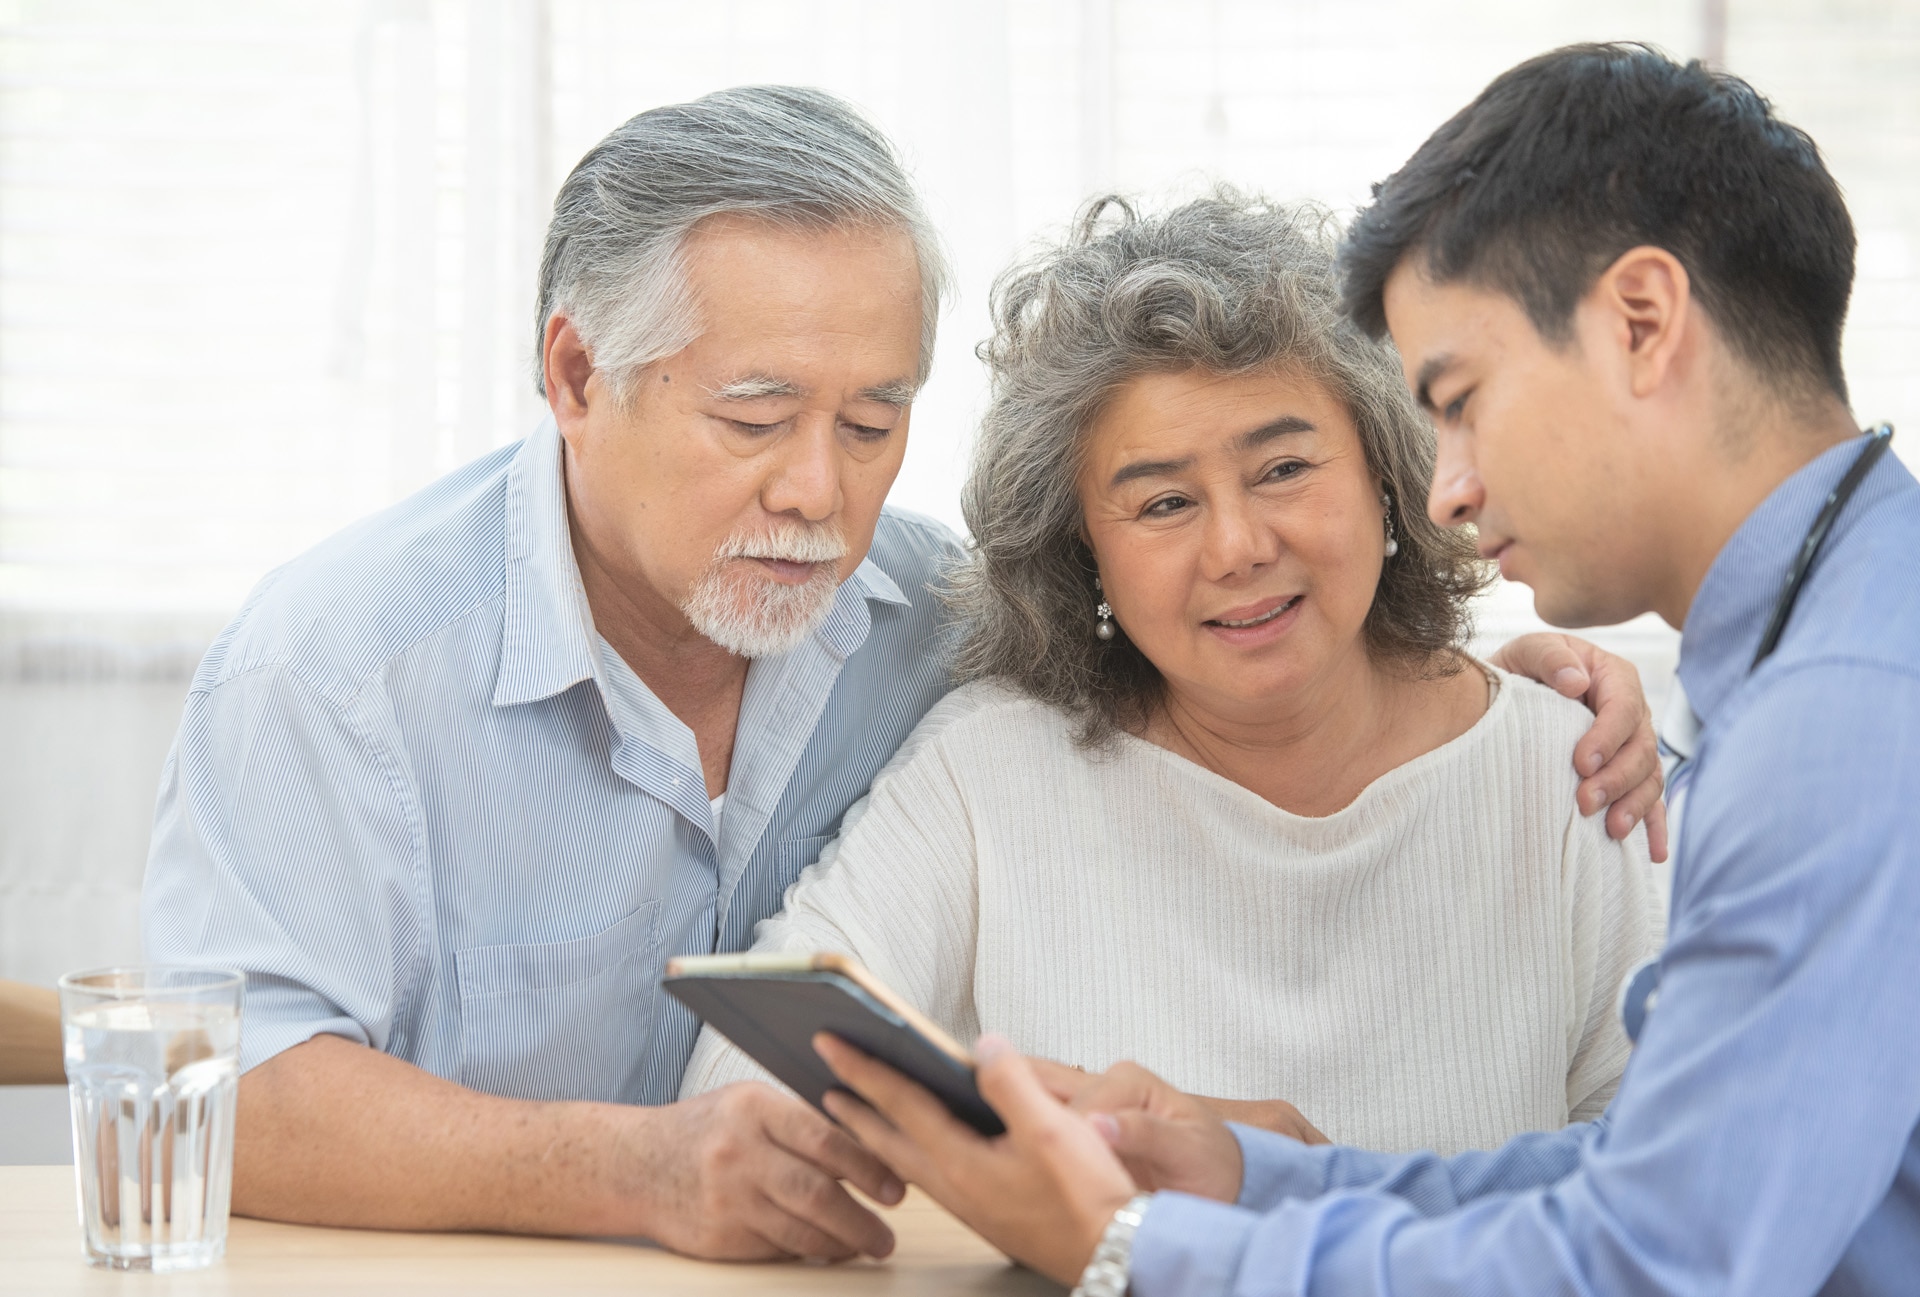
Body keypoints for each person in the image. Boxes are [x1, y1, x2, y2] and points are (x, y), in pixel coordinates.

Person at [140, 85, 1662, 1261]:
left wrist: (1538, 685)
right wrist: (642, 1170)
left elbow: (1256, 620)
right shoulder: (335, 666)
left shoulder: (937, 608)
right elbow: (224, 1093)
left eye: (874, 423)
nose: (820, 492)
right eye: (756, 416)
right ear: (575, 375)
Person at [815, 43, 1920, 1296]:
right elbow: (1643, 1175)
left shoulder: (1841, 717)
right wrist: (1255, 1176)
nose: (1450, 484)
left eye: (1458, 397)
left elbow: (1653, 1264)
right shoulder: (1847, 648)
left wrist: (1133, 1251)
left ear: (1642, 323)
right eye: (1163, 502)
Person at [683, 194, 1665, 1157]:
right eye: (1161, 503)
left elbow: (1690, 1193)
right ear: (1086, 555)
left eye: (1284, 468)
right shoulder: (989, 771)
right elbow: (743, 1097)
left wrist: (1267, 1180)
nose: (1237, 547)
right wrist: (1032, 1130)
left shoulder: (1571, 772)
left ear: (1383, 473)